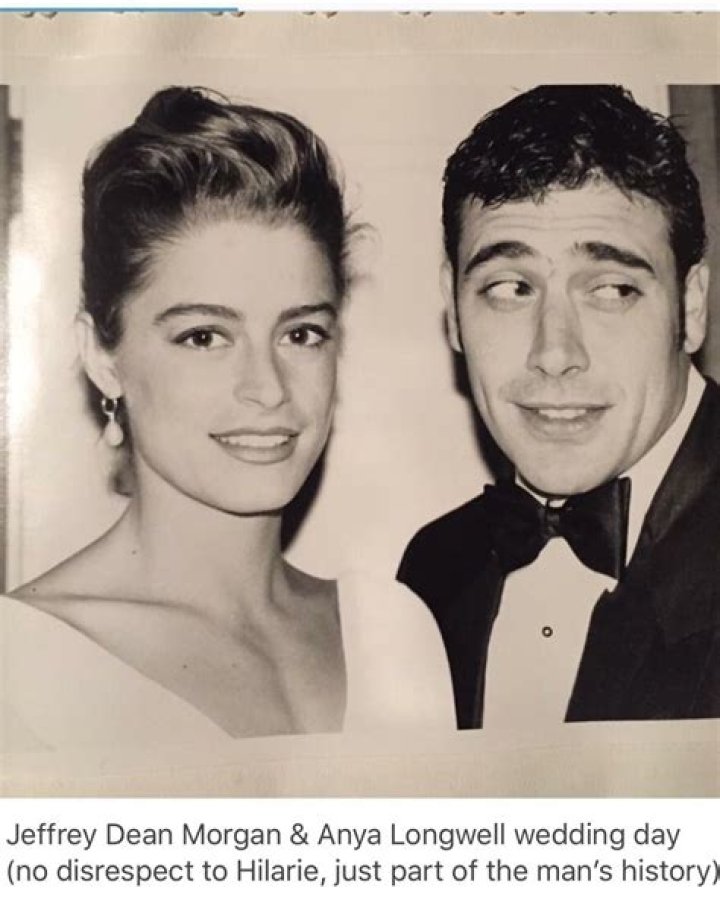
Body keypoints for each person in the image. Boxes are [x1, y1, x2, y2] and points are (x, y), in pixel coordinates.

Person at [1, 86, 453, 752]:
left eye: (300, 333)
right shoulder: (21, 664)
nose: (267, 388)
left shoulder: (396, 630)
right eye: (205, 336)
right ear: (101, 356)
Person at [398, 85, 720, 730]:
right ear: (453, 309)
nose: (554, 353)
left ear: (690, 306)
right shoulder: (433, 569)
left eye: (612, 289)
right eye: (510, 288)